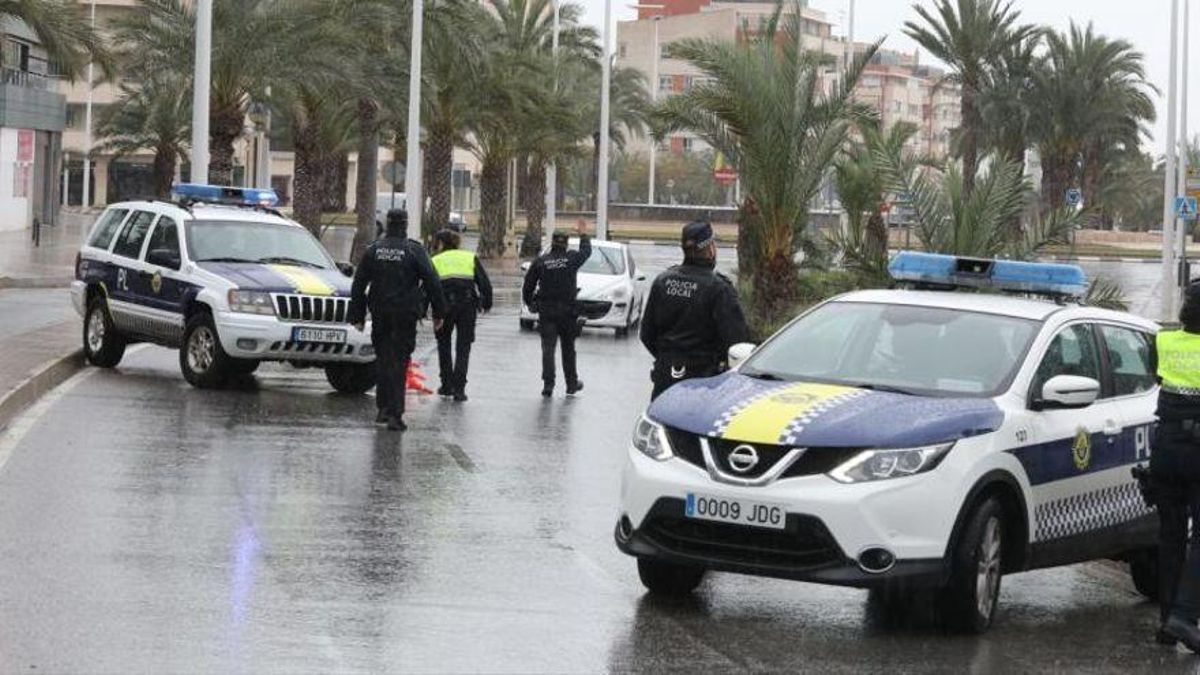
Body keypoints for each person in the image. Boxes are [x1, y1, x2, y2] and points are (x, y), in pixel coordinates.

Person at [348, 209, 446, 431]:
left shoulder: (374, 250)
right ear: (406, 225)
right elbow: (432, 281)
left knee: (382, 359)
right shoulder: (414, 250)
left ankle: (382, 409)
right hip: (405, 314)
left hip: (380, 312)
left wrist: (357, 315)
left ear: (387, 224)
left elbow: (359, 283)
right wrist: (439, 313)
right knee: (400, 361)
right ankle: (395, 413)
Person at [640, 220, 750, 400]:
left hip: (665, 379)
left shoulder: (663, 281)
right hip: (704, 383)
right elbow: (736, 342)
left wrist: (670, 358)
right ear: (710, 248)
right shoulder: (719, 289)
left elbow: (646, 334)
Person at [1153, 281, 1200, 651]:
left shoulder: (1164, 341)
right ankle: (1184, 616)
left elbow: (1159, 380)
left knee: (1170, 534)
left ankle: (1167, 620)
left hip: (1166, 449)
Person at [522, 219, 591, 397]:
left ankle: (548, 385)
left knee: (548, 349)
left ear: (552, 242)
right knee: (568, 349)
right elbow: (586, 251)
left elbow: (528, 285)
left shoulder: (541, 261)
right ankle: (571, 384)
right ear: (566, 244)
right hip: (568, 312)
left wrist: (530, 303)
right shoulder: (572, 258)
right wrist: (583, 234)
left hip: (547, 311)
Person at [430, 228, 493, 402]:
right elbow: (484, 283)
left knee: (444, 345)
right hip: (467, 306)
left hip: (444, 307)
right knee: (463, 347)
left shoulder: (434, 260)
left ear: (440, 243)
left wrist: (423, 310)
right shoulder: (469, 257)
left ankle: (446, 385)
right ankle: (459, 389)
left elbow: (428, 288)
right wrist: (486, 303)